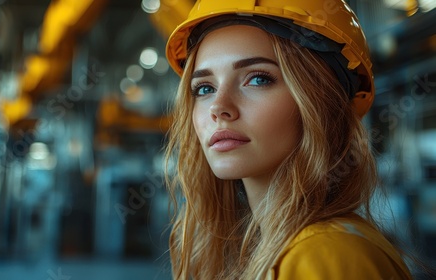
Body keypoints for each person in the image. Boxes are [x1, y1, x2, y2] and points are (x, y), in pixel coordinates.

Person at [163, 0, 413, 279]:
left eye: (258, 79)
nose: (218, 107)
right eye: (204, 88)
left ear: (321, 103)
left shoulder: (325, 256)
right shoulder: (271, 251)